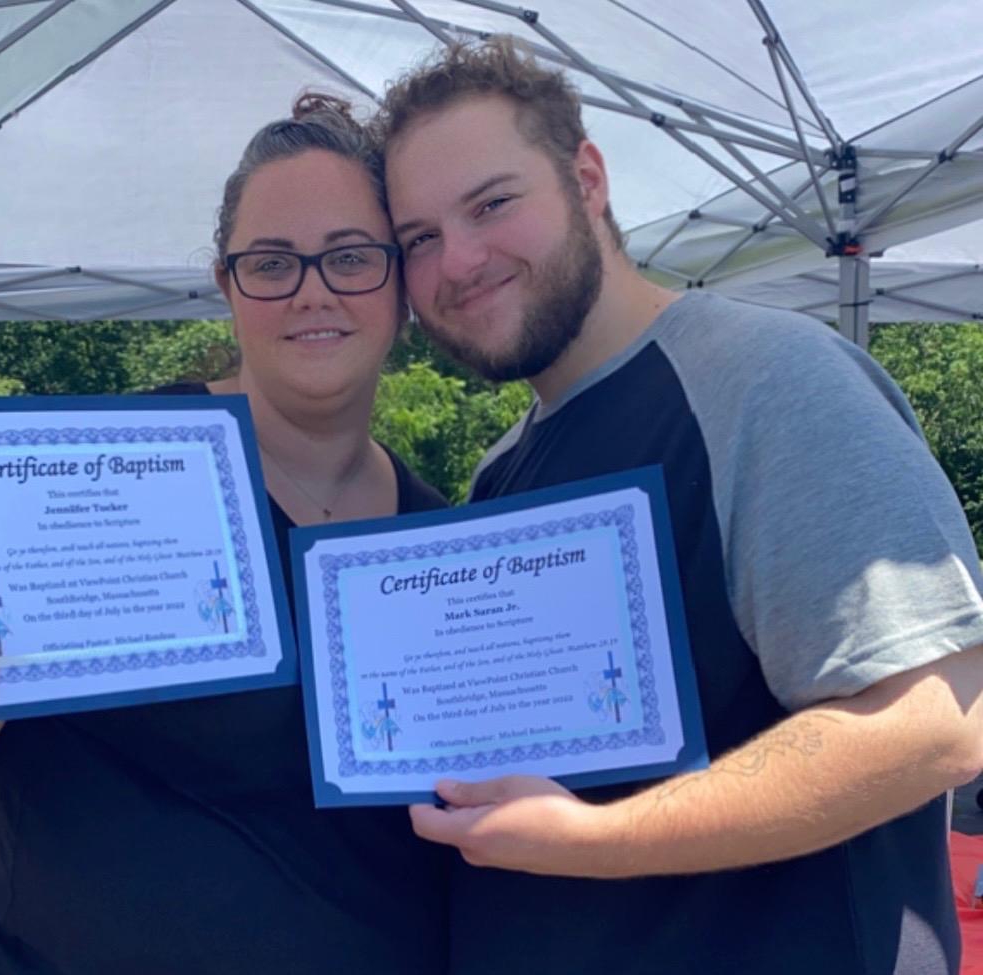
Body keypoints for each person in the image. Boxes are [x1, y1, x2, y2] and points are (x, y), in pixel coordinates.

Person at [0, 95, 450, 975]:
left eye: (351, 256)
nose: (312, 290)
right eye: (272, 262)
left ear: (401, 280)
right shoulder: (96, 471)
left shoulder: (440, 537)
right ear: (227, 285)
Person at [372, 37, 983, 974]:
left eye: (492, 203)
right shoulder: (502, 471)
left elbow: (940, 718)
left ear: (587, 180)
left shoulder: (769, 381)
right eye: (419, 238)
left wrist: (596, 838)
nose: (458, 260)